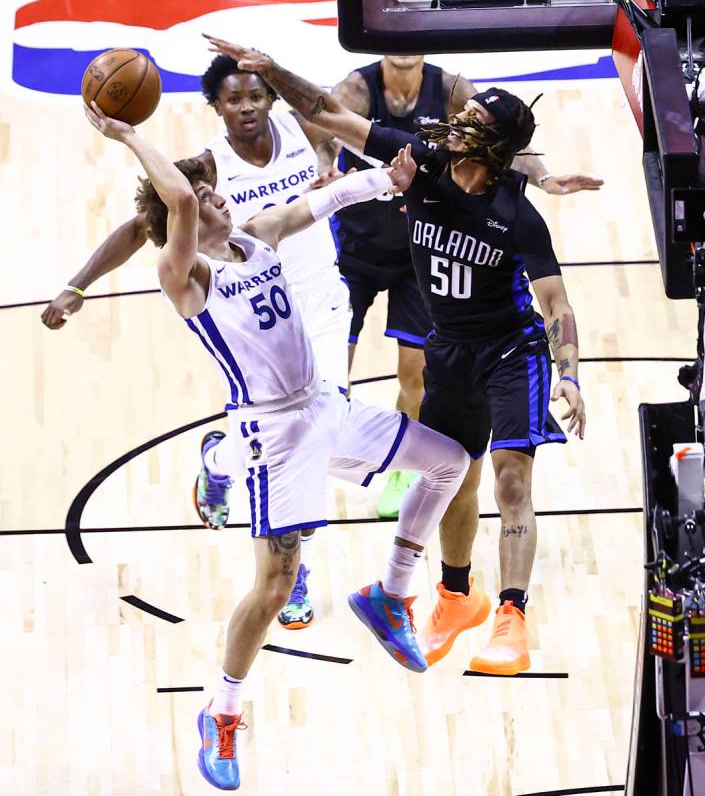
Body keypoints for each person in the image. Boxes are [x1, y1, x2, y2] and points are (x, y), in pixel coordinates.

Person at [84, 100, 471, 790]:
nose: (214, 198)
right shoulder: (186, 277)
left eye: (211, 191)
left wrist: (388, 179)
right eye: (203, 198)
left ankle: (391, 593)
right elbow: (172, 197)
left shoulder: (254, 237)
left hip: (324, 406)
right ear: (180, 223)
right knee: (275, 587)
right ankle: (222, 711)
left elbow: (315, 204)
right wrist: (129, 135)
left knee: (448, 462)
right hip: (275, 435)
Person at [201, 36, 587, 676]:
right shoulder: (431, 161)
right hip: (452, 345)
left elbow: (557, 304)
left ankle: (510, 618)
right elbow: (328, 110)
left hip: (510, 349)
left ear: (492, 149)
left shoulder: (517, 216)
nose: (457, 122)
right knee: (449, 467)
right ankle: (441, 593)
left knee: (510, 477)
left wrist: (570, 375)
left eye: (475, 123)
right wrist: (275, 69)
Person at [41, 54, 348, 631]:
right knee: (285, 447)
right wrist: (76, 284)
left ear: (271, 98)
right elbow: (143, 224)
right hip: (252, 317)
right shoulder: (208, 167)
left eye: (256, 96)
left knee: (320, 435)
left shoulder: (305, 129)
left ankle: (219, 464)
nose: (248, 107)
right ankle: (288, 564)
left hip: (322, 306)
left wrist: (332, 162)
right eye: (234, 99)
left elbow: (341, 120)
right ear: (217, 107)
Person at [331, 55, 602, 519]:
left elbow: (507, 143)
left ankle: (403, 473)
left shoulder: (454, 91)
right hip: (361, 249)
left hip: (429, 262)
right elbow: (327, 120)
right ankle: (318, 461)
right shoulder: (361, 88)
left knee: (413, 375)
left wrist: (543, 178)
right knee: (332, 381)